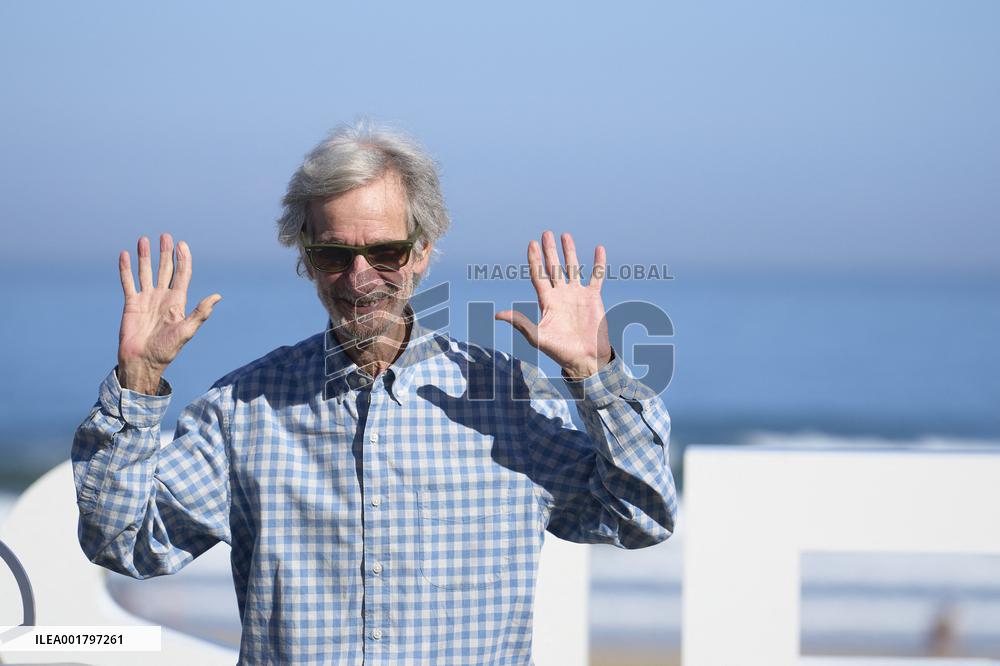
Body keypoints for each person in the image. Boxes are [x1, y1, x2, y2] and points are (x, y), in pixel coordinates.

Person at [72, 121, 677, 665]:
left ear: (422, 252)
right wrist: (138, 381)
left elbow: (642, 516)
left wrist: (595, 375)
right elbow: (125, 543)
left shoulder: (507, 403)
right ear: (307, 258)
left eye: (385, 251)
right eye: (335, 254)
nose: (361, 277)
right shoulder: (243, 411)